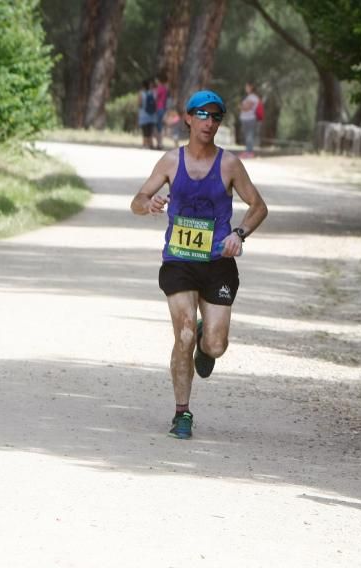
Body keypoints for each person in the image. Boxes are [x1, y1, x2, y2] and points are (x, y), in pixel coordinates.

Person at [129, 90, 268, 439]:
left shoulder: (230, 164)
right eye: (202, 115)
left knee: (214, 346)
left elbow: (258, 207)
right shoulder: (170, 162)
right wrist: (149, 204)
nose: (209, 122)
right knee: (184, 333)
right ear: (188, 118)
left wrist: (240, 233)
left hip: (218, 263)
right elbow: (137, 200)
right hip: (179, 261)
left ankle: (209, 334)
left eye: (216, 117)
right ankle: (182, 413)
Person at [239, 82, 260, 158]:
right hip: (245, 119)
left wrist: (241, 106)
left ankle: (250, 152)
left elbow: (246, 108)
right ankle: (247, 151)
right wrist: (242, 106)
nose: (246, 88)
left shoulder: (253, 97)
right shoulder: (249, 97)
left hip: (250, 119)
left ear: (251, 87)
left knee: (249, 136)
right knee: (246, 136)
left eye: (247, 87)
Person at [137, 79, 156, 149]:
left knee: (144, 130)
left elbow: (139, 103)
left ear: (143, 86)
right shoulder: (152, 93)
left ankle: (145, 145)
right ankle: (151, 144)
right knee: (150, 130)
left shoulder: (141, 93)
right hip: (152, 115)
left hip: (143, 114)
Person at [154, 73, 169, 150]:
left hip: (158, 108)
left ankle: (159, 144)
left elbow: (155, 97)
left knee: (158, 126)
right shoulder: (165, 89)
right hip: (163, 108)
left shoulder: (159, 88)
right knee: (161, 126)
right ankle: (161, 143)